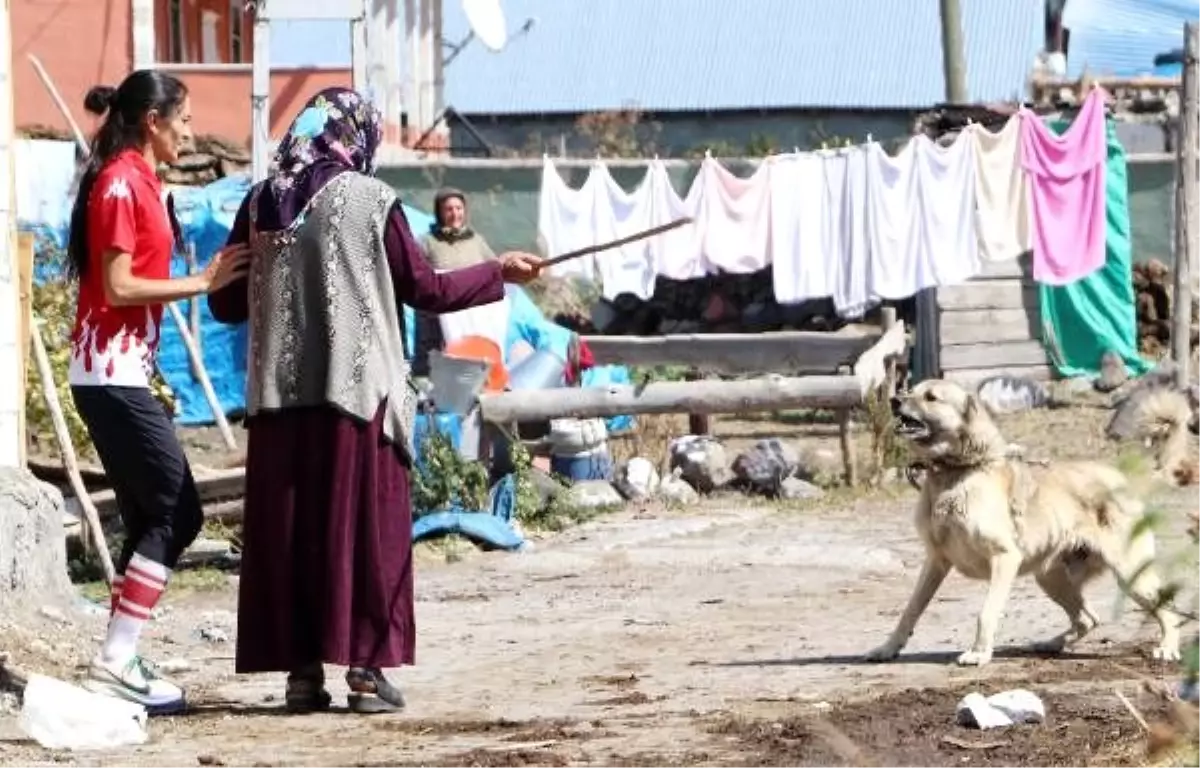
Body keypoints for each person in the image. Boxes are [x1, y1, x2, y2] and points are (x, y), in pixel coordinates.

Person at [208, 87, 542, 715]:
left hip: (280, 402)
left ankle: (303, 674)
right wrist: (499, 271)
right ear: (354, 135)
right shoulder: (370, 200)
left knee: (294, 535)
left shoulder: (259, 201)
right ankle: (367, 670)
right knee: (366, 530)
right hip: (357, 397)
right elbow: (424, 286)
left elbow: (225, 302)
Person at [65, 71, 250, 714]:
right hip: (108, 375)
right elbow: (117, 287)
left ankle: (118, 656)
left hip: (120, 373)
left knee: (151, 515)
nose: (190, 132)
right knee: (180, 511)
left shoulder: (143, 182)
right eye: (185, 119)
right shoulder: (120, 182)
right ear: (153, 120)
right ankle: (116, 659)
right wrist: (201, 282)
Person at [419, 187, 498, 271]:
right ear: (440, 213)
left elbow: (495, 269)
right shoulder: (427, 242)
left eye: (459, 208)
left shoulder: (477, 240)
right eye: (449, 209)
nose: (455, 214)